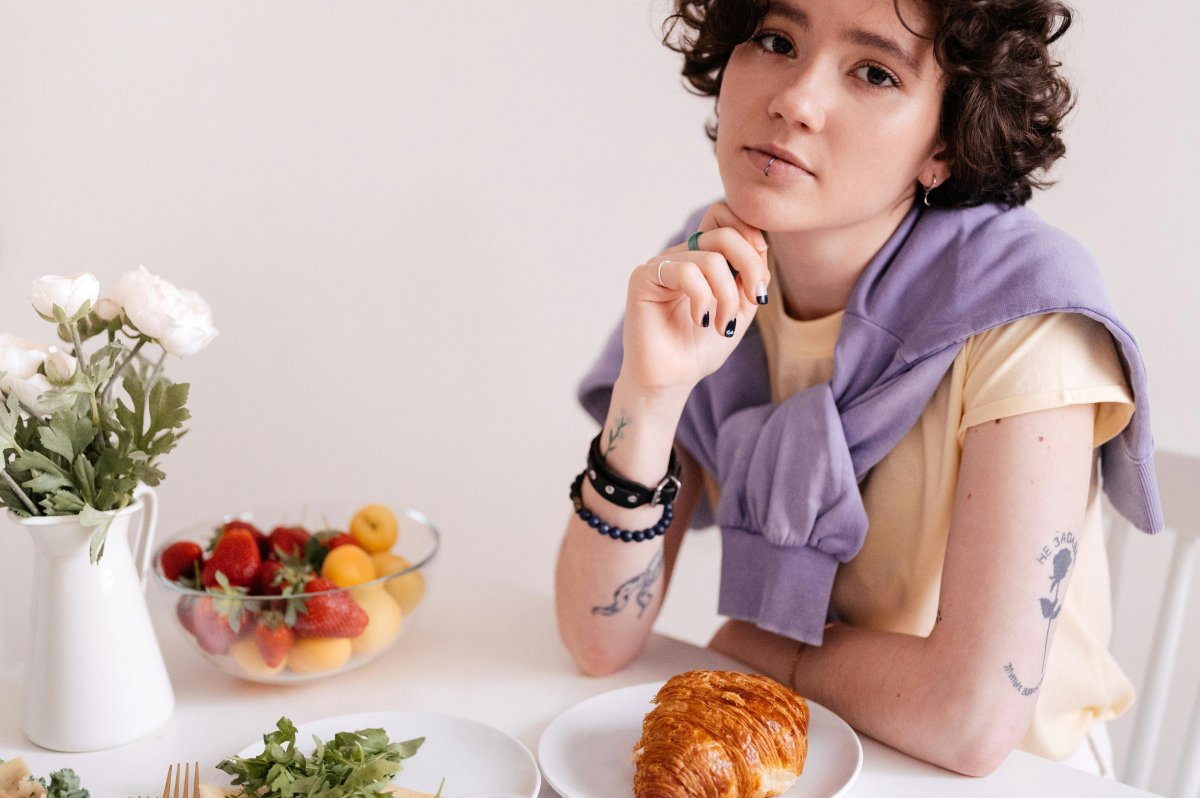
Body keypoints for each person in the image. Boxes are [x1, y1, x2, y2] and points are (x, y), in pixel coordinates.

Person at [554, 0, 1165, 779]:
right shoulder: (711, 271)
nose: (796, 100)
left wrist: (760, 648)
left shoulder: (1027, 311)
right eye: (775, 40)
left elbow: (970, 719)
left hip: (1024, 776)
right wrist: (652, 390)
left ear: (945, 143)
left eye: (874, 73)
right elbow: (596, 640)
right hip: (804, 747)